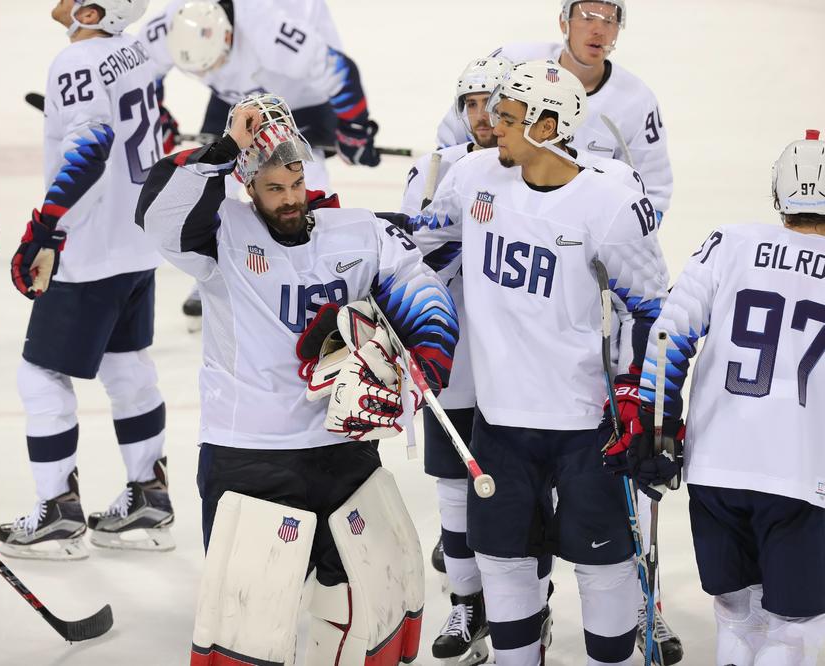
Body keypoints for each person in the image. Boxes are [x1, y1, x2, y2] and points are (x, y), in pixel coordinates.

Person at [136, 92, 458, 664]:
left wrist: (419, 368)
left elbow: (422, 290)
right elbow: (158, 215)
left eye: (295, 182)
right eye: (273, 188)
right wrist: (226, 147)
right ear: (246, 184)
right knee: (249, 624)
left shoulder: (356, 231)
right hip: (250, 454)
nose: (289, 198)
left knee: (368, 609)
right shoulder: (219, 235)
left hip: (343, 451)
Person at [412, 60, 669, 666]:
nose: (489, 124)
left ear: (548, 126)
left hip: (586, 425)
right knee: (503, 567)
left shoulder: (608, 202)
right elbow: (420, 244)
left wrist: (637, 394)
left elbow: (652, 308)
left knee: (605, 574)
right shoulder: (474, 177)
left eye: (505, 116)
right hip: (499, 422)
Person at [608, 130, 825, 665]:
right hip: (802, 473)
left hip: (717, 469)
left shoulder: (731, 242)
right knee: (792, 630)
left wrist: (657, 433)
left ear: (778, 193)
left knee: (735, 613)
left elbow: (668, 335)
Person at [0, 0, 175, 560]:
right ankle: (149, 496)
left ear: (93, 11)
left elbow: (91, 150)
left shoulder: (75, 62)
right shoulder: (133, 51)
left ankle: (57, 510)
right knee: (127, 367)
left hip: (91, 249)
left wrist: (47, 230)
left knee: (40, 374)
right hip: (136, 241)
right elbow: (156, 128)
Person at [140, 0, 382, 326]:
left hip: (301, 98)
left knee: (304, 183)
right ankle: (215, 273)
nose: (208, 73)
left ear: (228, 36)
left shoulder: (267, 28)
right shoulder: (174, 23)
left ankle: (322, 272)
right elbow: (143, 74)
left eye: (213, 63)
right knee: (213, 177)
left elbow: (340, 72)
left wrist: (354, 130)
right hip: (236, 99)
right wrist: (157, 116)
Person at [400, 55, 512, 666]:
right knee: (452, 487)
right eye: (470, 104)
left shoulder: (540, 174)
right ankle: (467, 602)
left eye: (491, 103)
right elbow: (407, 258)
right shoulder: (434, 169)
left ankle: (528, 606)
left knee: (521, 493)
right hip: (454, 358)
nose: (481, 116)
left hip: (520, 366)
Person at [435, 0, 673, 217]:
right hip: (494, 215)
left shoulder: (637, 101)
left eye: (609, 21)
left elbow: (652, 195)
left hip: (576, 230)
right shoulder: (513, 61)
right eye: (587, 18)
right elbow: (456, 139)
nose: (598, 30)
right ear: (563, 22)